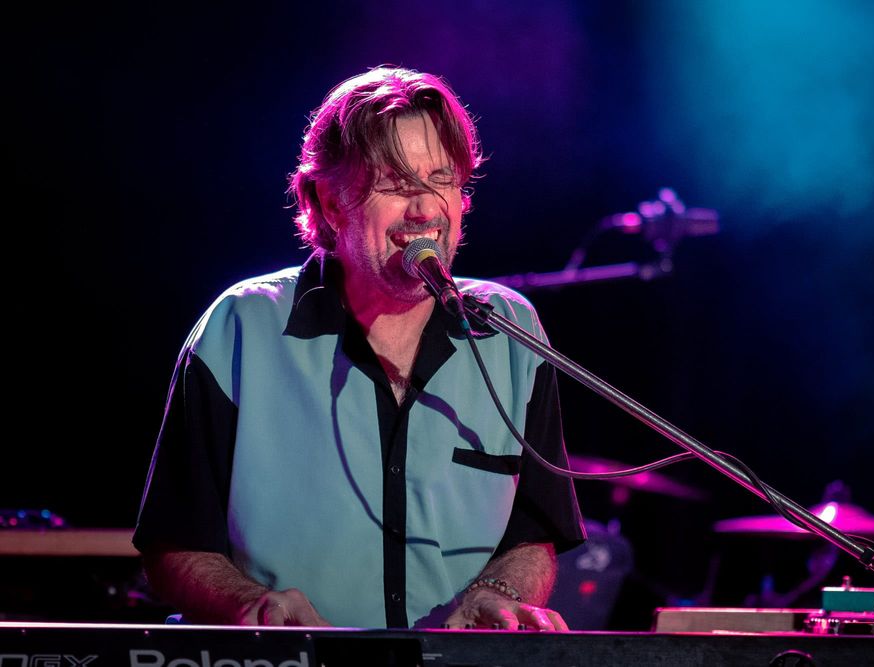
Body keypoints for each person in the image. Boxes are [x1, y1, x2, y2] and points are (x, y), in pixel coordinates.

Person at [133, 67, 586, 630]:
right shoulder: (239, 327)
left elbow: (534, 535)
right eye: (394, 184)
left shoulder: (511, 331)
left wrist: (498, 591)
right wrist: (249, 603)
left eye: (441, 179)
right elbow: (173, 546)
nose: (425, 209)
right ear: (330, 203)